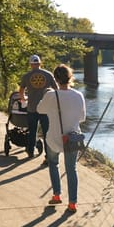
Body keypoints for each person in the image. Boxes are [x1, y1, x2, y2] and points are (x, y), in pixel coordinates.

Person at [36, 64, 85, 214]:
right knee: (72, 170)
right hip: (72, 138)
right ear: (70, 78)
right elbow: (82, 118)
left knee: (53, 164)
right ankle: (72, 204)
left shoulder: (50, 95)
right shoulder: (78, 95)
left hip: (53, 138)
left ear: (55, 79)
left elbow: (39, 110)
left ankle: (57, 195)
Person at [19, 54, 57, 162]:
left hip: (32, 108)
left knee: (32, 131)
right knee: (46, 132)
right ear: (40, 63)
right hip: (46, 109)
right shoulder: (48, 75)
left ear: (31, 64)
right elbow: (56, 89)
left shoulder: (26, 76)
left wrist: (24, 99)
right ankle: (48, 155)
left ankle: (30, 152)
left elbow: (21, 91)